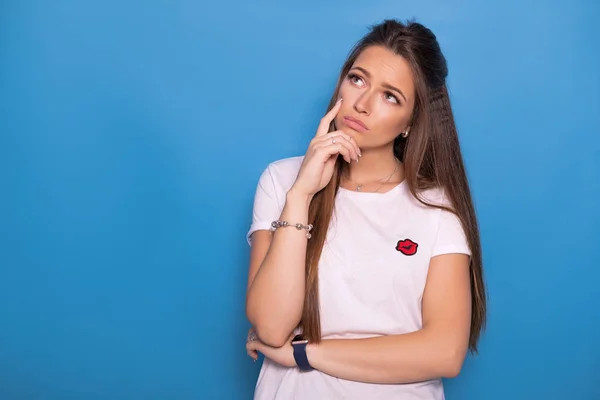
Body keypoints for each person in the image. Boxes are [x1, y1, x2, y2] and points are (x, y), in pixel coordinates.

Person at [244, 18, 487, 400]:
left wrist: (304, 353)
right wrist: (301, 195)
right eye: (358, 79)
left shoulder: (437, 207)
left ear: (411, 121)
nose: (362, 103)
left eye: (390, 96)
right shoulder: (282, 180)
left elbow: (444, 352)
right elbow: (271, 327)